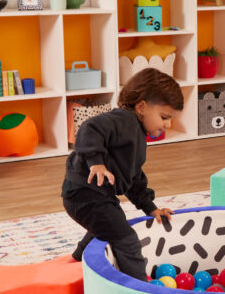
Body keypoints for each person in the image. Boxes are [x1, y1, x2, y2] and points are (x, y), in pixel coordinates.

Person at [61, 68, 184, 281]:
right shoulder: (123, 120)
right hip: (84, 193)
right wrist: (96, 162)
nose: (167, 124)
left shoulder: (136, 133)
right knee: (127, 240)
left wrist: (150, 208)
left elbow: (133, 177)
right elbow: (89, 128)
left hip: (94, 196)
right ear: (142, 106)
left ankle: (77, 262)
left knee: (109, 224)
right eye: (164, 117)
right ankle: (139, 286)